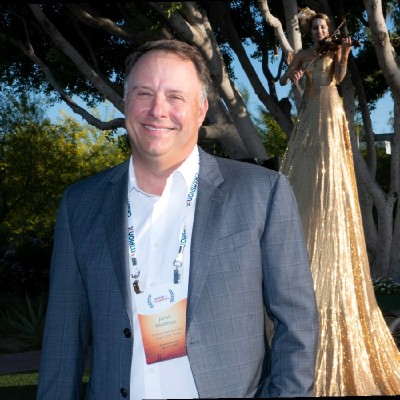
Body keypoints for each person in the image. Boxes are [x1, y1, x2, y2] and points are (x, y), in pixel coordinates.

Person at [36, 39, 318, 399]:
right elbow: (62, 342)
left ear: (201, 110)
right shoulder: (80, 205)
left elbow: (297, 322)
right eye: (144, 93)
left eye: (175, 96)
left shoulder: (262, 193)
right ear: (126, 103)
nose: (157, 110)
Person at [279, 12, 400, 396]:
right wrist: (293, 75)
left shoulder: (333, 52)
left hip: (332, 111)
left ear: (329, 30)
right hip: (311, 114)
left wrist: (344, 54)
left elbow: (340, 78)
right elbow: (285, 80)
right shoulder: (304, 54)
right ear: (310, 31)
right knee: (308, 169)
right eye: (316, 28)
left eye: (324, 28)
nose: (321, 32)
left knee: (332, 165)